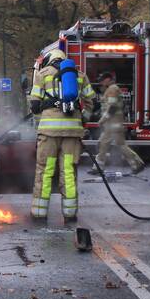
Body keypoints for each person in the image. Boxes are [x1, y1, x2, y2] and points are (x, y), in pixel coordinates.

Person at [27, 48, 95, 222]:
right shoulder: (79, 75)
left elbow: (34, 105)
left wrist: (41, 122)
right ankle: (70, 213)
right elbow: (92, 101)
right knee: (68, 172)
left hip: (49, 133)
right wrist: (82, 122)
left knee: (45, 170)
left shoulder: (42, 74)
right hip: (72, 133)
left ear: (49, 59)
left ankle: (39, 213)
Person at [95, 72, 144, 173]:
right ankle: (98, 168)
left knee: (119, 145)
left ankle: (137, 164)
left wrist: (102, 120)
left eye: (103, 80)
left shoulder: (113, 89)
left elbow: (112, 107)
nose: (101, 82)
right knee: (103, 144)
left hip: (114, 125)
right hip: (111, 125)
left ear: (108, 79)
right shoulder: (110, 89)